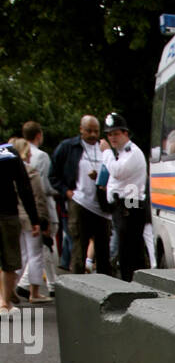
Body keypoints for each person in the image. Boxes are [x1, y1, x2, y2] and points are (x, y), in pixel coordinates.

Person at [48, 115, 112, 276]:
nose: (92, 135)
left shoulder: (104, 147)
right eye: (89, 131)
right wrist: (66, 192)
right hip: (79, 202)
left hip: (102, 206)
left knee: (103, 251)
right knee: (79, 250)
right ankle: (77, 288)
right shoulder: (68, 147)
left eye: (96, 131)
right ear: (81, 129)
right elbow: (53, 175)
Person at [99, 113, 148, 282]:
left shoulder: (131, 152)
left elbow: (118, 172)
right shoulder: (122, 152)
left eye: (116, 133)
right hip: (125, 203)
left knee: (129, 251)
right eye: (110, 134)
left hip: (129, 204)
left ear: (125, 133)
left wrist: (106, 153)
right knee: (127, 250)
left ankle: (133, 285)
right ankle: (131, 282)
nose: (112, 137)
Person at [9, 137, 53, 303]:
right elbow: (39, 198)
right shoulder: (30, 172)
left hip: (14, 217)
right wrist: (43, 220)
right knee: (35, 255)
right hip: (30, 218)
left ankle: (9, 288)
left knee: (19, 256)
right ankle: (34, 291)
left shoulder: (7, 172)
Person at [0, 140, 40, 311]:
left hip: (8, 213)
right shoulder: (9, 152)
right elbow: (24, 186)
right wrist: (34, 218)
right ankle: (4, 302)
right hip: (8, 212)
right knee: (10, 260)